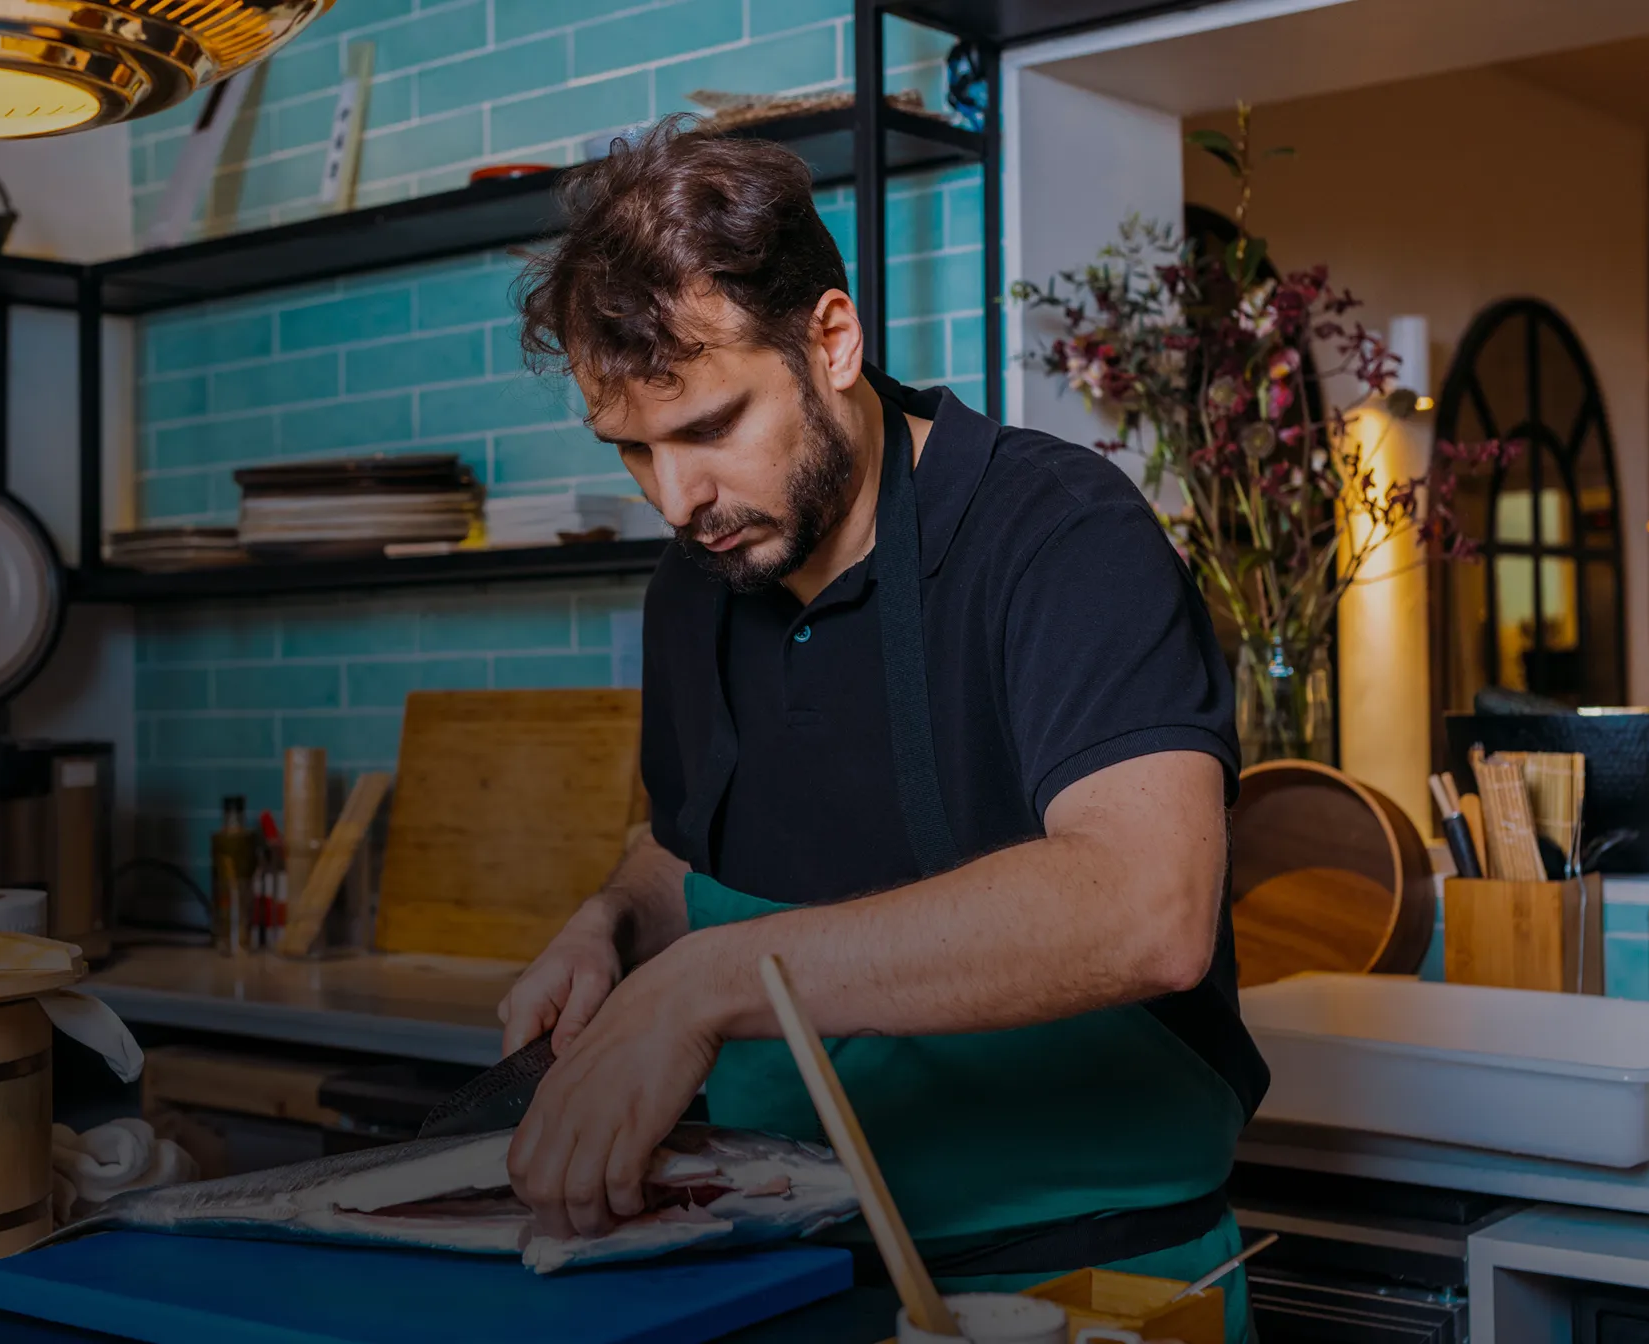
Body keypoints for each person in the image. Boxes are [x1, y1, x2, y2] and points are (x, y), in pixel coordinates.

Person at [498, 119, 1267, 1340]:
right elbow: (688, 845)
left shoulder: (1057, 534)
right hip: (769, 1258)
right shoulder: (698, 582)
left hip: (1081, 1276)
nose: (676, 498)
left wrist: (703, 984)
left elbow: (1146, 905)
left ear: (833, 339)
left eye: (708, 428)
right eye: (633, 450)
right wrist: (613, 924)